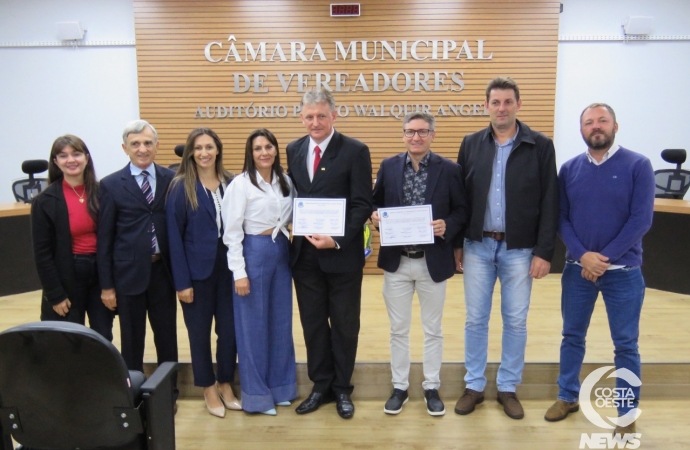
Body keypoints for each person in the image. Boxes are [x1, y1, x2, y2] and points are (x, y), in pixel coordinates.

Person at [544, 103, 654, 439]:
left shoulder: (638, 165)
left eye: (602, 121)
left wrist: (601, 258)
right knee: (572, 337)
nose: (596, 127)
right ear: (582, 130)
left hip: (623, 273)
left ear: (615, 126)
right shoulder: (570, 168)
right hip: (578, 271)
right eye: (589, 122)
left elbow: (641, 220)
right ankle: (567, 397)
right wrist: (582, 256)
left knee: (626, 346)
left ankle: (625, 413)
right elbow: (561, 218)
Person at [454, 77, 559, 420]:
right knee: (475, 320)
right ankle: (474, 386)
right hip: (477, 245)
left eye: (507, 102)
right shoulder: (470, 144)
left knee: (515, 321)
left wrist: (545, 251)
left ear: (518, 105)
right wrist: (457, 244)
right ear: (486, 106)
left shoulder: (540, 145)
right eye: (495, 102)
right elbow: (460, 200)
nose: (501, 108)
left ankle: (508, 388)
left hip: (520, 249)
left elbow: (550, 200)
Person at [371, 112, 467, 416]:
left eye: (422, 132)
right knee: (398, 329)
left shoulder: (450, 170)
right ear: (403, 134)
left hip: (432, 262)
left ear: (432, 135)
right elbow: (374, 203)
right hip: (397, 262)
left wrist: (447, 226)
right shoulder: (388, 167)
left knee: (433, 329)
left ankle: (431, 386)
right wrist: (374, 217)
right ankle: (399, 386)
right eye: (410, 132)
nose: (416, 137)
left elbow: (463, 211)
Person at [287, 89, 373, 419]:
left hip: (341, 255)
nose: (315, 122)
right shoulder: (293, 149)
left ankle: (342, 389)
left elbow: (362, 203)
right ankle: (320, 385)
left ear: (334, 116)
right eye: (309, 116)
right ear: (301, 117)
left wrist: (335, 239)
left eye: (321, 116)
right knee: (313, 325)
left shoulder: (354, 150)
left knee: (345, 325)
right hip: (304, 257)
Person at [97, 120, 179, 403]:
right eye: (135, 144)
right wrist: (107, 286)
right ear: (125, 148)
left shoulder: (172, 180)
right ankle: (133, 396)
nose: (142, 149)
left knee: (167, 338)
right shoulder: (109, 185)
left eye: (147, 143)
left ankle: (168, 394)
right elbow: (104, 239)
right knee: (132, 341)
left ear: (157, 145)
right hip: (128, 275)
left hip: (163, 273)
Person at [222, 129, 297, 415]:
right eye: (257, 148)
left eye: (268, 146)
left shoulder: (286, 181)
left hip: (281, 252)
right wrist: (239, 272)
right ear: (250, 153)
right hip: (253, 252)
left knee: (280, 323)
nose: (264, 152)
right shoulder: (240, 185)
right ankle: (256, 395)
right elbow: (230, 233)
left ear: (276, 150)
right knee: (252, 326)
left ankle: (281, 387)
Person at [167, 128, 240, 418]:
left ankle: (225, 383)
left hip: (230, 269)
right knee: (199, 334)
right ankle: (207, 387)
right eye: (198, 148)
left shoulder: (232, 182)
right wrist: (181, 282)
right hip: (196, 274)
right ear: (190, 153)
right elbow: (174, 237)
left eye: (209, 147)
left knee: (230, 332)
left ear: (218, 150)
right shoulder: (181, 186)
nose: (204, 153)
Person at [31, 135, 114, 340]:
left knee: (102, 336)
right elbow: (42, 254)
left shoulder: (104, 192)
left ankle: (100, 373)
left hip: (99, 275)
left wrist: (110, 283)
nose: (71, 160)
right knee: (68, 340)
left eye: (76, 154)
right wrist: (55, 295)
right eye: (63, 155)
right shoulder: (44, 201)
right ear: (55, 162)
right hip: (67, 276)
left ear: (86, 158)